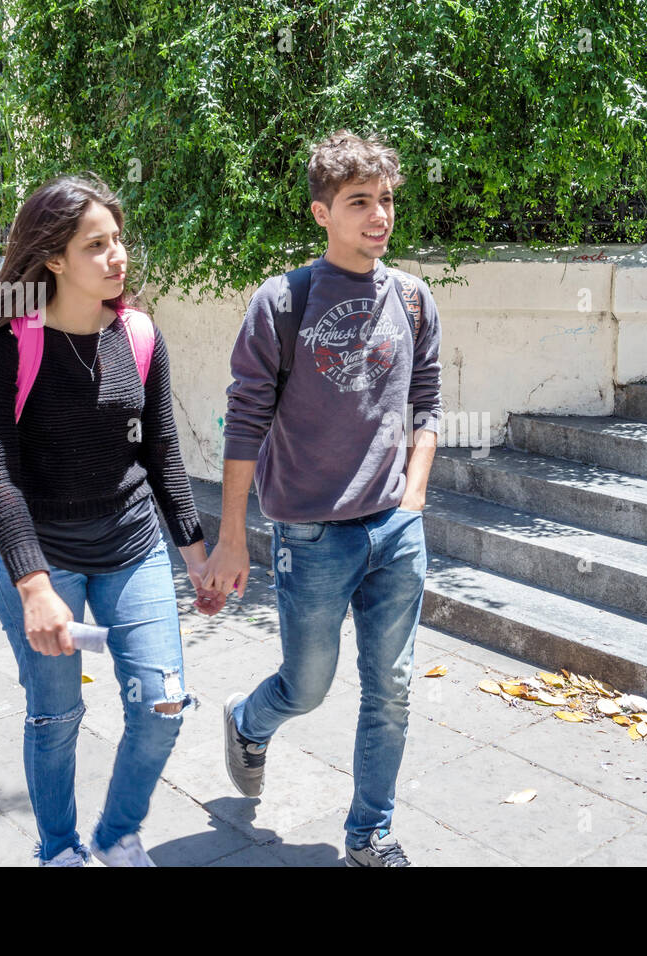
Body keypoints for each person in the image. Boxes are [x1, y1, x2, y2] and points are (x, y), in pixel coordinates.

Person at [0, 174, 220, 867]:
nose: (118, 256)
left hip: (131, 546)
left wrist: (196, 556)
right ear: (53, 258)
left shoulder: (136, 335)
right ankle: (59, 850)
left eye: (118, 240)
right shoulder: (4, 346)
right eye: (96, 245)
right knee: (56, 717)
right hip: (42, 558)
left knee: (164, 702)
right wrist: (33, 585)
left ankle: (116, 833)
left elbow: (161, 452)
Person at [201, 130, 443, 867]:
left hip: (394, 530)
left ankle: (370, 833)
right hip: (310, 532)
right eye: (359, 202)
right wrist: (234, 536)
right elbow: (244, 420)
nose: (379, 217)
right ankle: (249, 719)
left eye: (387, 200)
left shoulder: (411, 296)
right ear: (322, 213)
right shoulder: (285, 300)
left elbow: (427, 406)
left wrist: (413, 497)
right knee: (307, 686)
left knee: (391, 690)